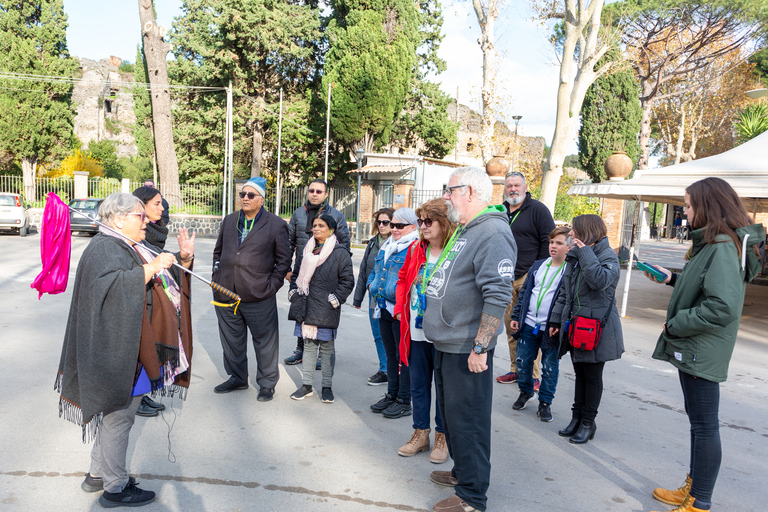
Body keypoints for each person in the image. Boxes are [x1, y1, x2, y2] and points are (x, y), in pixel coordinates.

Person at [56, 192, 195, 508]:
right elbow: (116, 289)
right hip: (116, 350)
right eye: (139, 216)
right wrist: (151, 268)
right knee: (120, 419)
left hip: (131, 345)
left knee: (113, 418)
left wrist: (182, 259)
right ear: (118, 219)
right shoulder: (105, 248)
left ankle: (97, 475)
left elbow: (158, 281)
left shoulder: (124, 245)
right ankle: (115, 488)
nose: (145, 221)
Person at [644, 178, 762, 512]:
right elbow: (706, 288)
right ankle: (693, 489)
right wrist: (672, 280)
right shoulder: (713, 244)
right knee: (700, 423)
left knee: (705, 426)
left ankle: (700, 501)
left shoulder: (722, 245)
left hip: (701, 346)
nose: (686, 209)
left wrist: (676, 324)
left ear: (708, 207)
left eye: (690, 204)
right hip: (697, 345)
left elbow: (721, 306)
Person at [423, 167, 517, 512]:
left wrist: (481, 346)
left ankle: (473, 497)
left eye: (451, 190)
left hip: (467, 348)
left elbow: (497, 293)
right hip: (448, 343)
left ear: (472, 192)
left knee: (469, 422)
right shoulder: (468, 229)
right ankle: (463, 473)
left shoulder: (492, 232)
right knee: (453, 416)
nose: (446, 196)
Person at [212, 176, 292, 401]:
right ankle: (237, 378)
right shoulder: (229, 221)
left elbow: (283, 261)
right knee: (232, 340)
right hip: (226, 292)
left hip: (259, 294)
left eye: (250, 195)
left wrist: (271, 286)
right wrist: (216, 275)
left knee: (265, 342)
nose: (245, 198)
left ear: (262, 199)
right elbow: (218, 252)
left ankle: (267, 384)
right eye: (242, 195)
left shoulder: (276, 225)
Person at [548, 214, 624, 445]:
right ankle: (577, 418)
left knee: (592, 377)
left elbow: (599, 281)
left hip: (596, 328)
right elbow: (565, 292)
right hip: (576, 326)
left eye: (575, 231)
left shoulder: (607, 256)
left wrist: (586, 254)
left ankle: (588, 422)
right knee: (580, 374)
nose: (570, 234)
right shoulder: (576, 257)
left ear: (588, 232)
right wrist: (555, 321)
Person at [392, 199, 455, 464]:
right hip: (415, 329)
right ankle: (421, 433)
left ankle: (442, 436)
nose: (423, 226)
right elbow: (403, 277)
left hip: (442, 332)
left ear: (445, 224)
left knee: (443, 387)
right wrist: (398, 306)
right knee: (418, 384)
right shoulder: (418, 248)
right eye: (420, 221)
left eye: (429, 221)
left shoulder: (455, 251)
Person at [287, 214, 354, 403]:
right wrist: (293, 291)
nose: (316, 229)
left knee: (326, 349)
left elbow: (348, 280)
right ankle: (306, 386)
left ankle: (326, 387)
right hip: (306, 305)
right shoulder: (307, 250)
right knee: (308, 347)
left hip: (326, 308)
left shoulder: (340, 252)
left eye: (321, 226)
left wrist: (336, 298)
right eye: (314, 226)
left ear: (331, 230)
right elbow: (296, 274)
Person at [498, 171, 555, 387]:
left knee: (529, 329)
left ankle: (531, 375)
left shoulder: (538, 210)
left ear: (525, 187)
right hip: (504, 279)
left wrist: (537, 272)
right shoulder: (500, 211)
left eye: (517, 185)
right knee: (511, 327)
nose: (513, 189)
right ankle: (515, 369)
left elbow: (548, 242)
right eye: (509, 185)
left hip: (528, 278)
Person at [285, 179, 350, 367]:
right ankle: (301, 350)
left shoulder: (336, 215)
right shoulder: (298, 214)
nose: (314, 194)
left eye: (319, 191)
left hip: (326, 274)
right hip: (303, 273)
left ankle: (324, 354)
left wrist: (338, 270)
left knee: (324, 313)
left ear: (326, 194)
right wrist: (288, 269)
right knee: (301, 311)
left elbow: (344, 244)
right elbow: (289, 242)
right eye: (311, 190)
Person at [509, 225, 570, 422]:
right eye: (552, 242)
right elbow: (525, 294)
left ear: (569, 247)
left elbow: (566, 300)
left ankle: (545, 402)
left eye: (559, 243)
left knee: (549, 366)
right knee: (523, 361)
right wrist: (517, 317)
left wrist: (559, 323)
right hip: (528, 323)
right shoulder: (538, 265)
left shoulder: (570, 270)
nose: (553, 246)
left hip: (551, 328)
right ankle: (526, 392)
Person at [367, 207, 420, 419]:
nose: (394, 229)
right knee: (390, 354)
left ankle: (404, 400)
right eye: (392, 225)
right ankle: (392, 394)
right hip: (383, 306)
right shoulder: (387, 245)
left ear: (413, 227)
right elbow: (375, 271)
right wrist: (372, 285)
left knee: (403, 356)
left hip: (400, 310)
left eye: (399, 225)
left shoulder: (414, 247)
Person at [132, 186, 172, 417]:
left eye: (161, 203)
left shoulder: (156, 229)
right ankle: (136, 397)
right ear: (142, 205)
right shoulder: (136, 232)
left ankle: (141, 394)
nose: (161, 207)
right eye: (156, 203)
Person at [352, 207, 395, 386]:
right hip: (374, 297)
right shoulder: (372, 243)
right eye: (379, 222)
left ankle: (394, 369)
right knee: (378, 335)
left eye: (386, 222)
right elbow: (363, 271)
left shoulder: (397, 244)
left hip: (392, 298)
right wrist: (358, 298)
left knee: (393, 336)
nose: (382, 225)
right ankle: (384, 369)